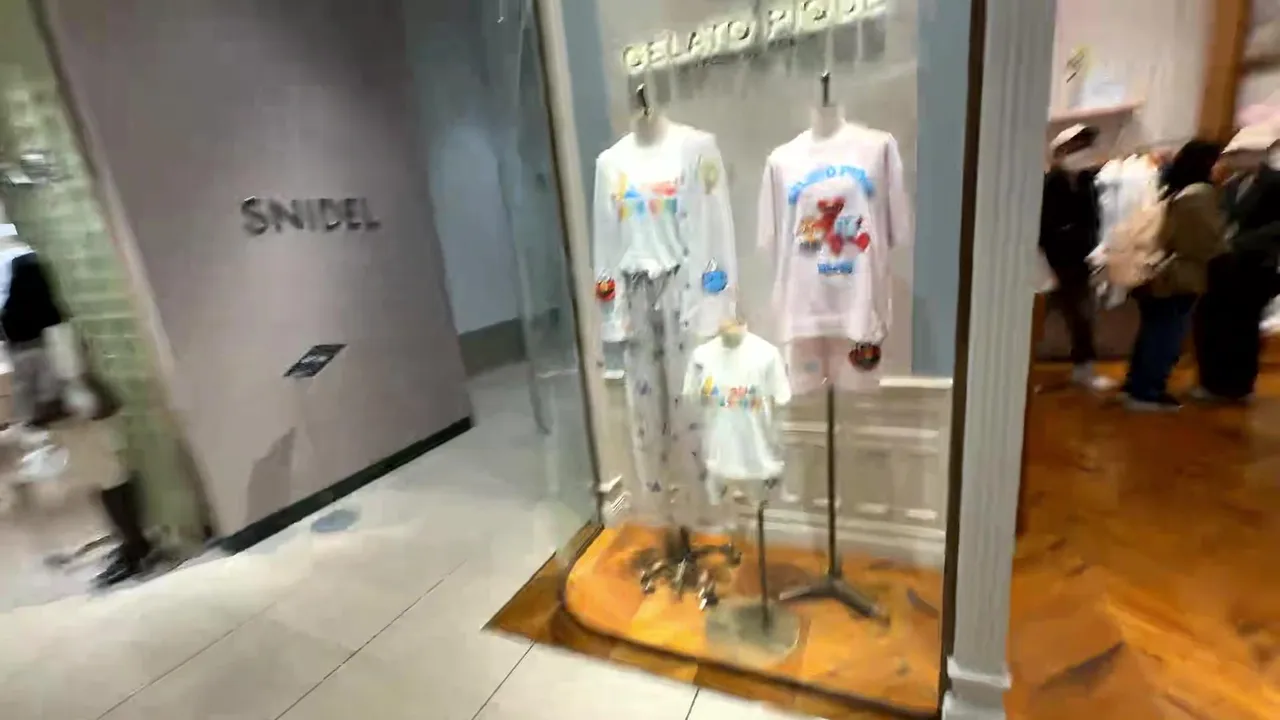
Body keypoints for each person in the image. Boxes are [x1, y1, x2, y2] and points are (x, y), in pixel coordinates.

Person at [1124, 140, 1228, 411]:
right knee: (1166, 336)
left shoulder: (1174, 189)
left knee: (1153, 332)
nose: (1222, 167)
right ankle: (1147, 392)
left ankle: (1137, 386)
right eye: (1218, 160)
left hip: (1158, 271)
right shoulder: (1200, 195)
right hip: (1180, 275)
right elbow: (1205, 243)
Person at [1191, 125, 1280, 402]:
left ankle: (1239, 386)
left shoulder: (1275, 183)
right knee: (1213, 324)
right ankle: (1213, 382)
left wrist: (1241, 241)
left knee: (1244, 328)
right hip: (1224, 265)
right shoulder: (1231, 185)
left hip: (1256, 267)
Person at [1039, 124, 1114, 390]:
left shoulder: (1087, 183)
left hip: (1080, 264)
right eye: (1076, 147)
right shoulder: (1049, 184)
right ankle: (1020, 370)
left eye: (1085, 146)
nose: (1083, 152)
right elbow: (1044, 227)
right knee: (1035, 320)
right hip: (1048, 264)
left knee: (1082, 318)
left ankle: (1084, 369)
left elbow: (1093, 221)